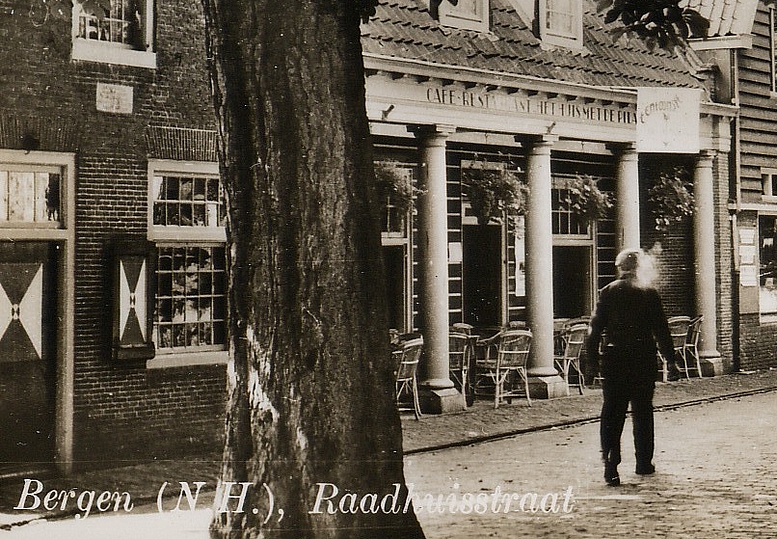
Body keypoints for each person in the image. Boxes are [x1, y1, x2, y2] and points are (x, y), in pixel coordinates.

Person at [586, 248, 675, 487]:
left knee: (612, 413)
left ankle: (611, 465)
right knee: (643, 412)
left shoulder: (607, 292)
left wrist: (592, 362)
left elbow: (594, 330)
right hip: (642, 361)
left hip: (614, 361)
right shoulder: (649, 293)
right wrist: (671, 360)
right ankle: (643, 462)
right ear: (638, 268)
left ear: (620, 268)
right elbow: (661, 330)